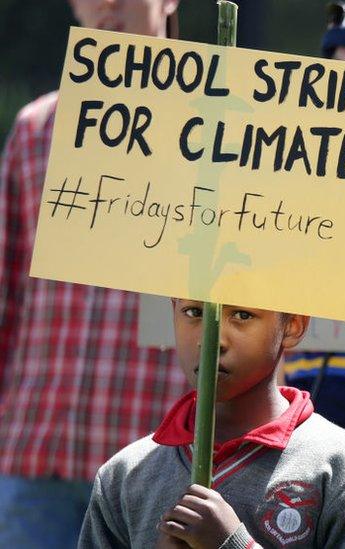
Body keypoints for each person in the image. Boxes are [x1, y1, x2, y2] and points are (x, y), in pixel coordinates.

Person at [0, 1, 185, 546]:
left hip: (161, 463)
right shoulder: (36, 130)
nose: (106, 5)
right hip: (36, 457)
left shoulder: (234, 131)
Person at [79, 300, 345, 548]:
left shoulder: (343, 467)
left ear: (292, 325)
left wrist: (232, 545)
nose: (211, 339)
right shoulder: (125, 474)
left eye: (242, 315)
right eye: (193, 312)